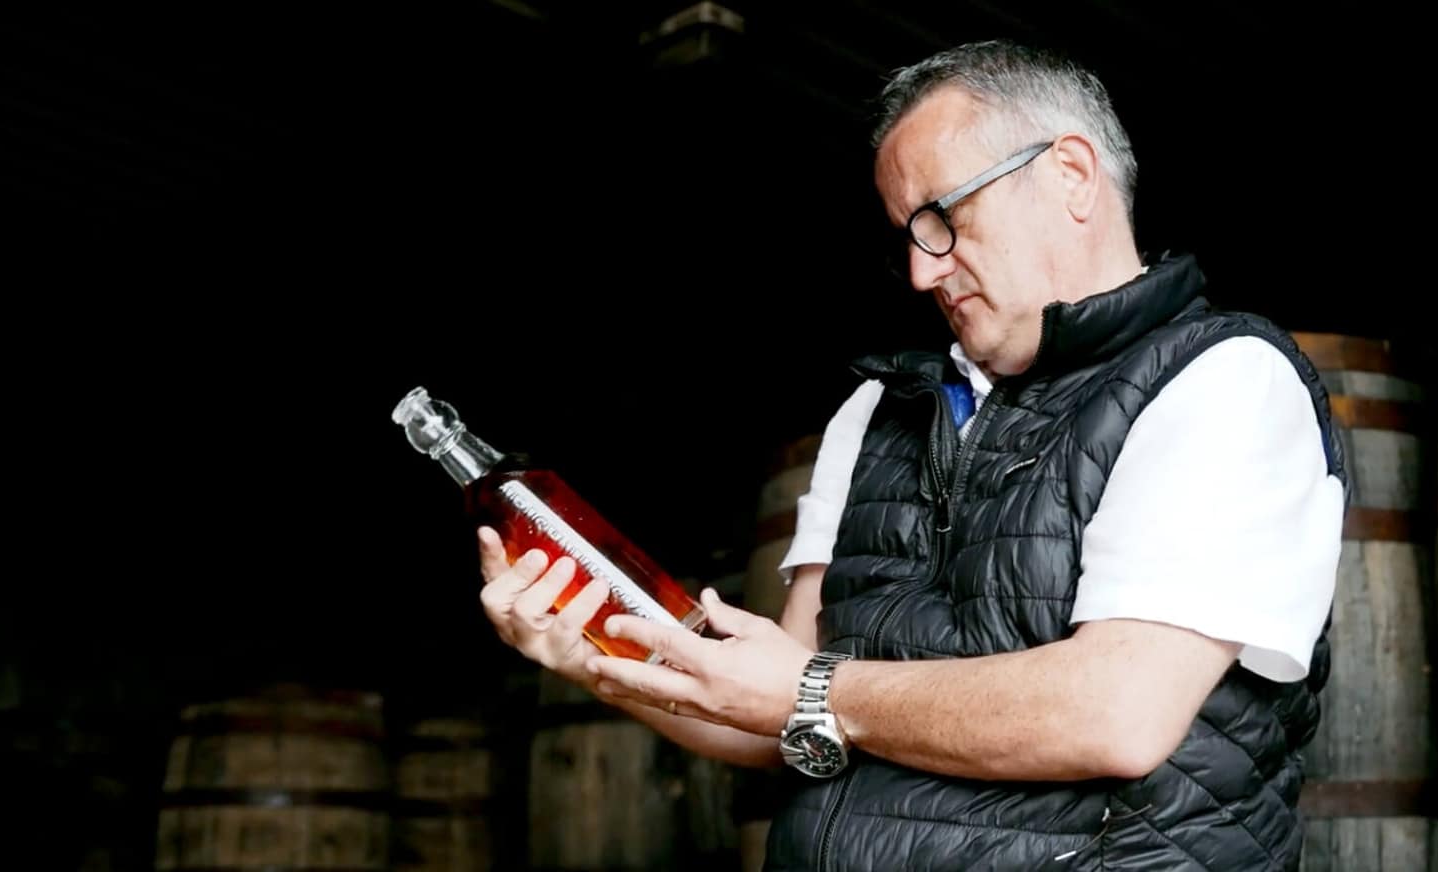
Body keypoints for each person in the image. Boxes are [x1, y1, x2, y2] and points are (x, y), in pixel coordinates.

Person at [477, 38, 1345, 871]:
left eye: (941, 218)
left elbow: (1115, 710)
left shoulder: (1224, 380)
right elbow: (765, 717)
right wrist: (594, 657)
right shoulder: (874, 412)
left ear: (1071, 174)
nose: (925, 274)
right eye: (906, 236)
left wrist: (816, 691)